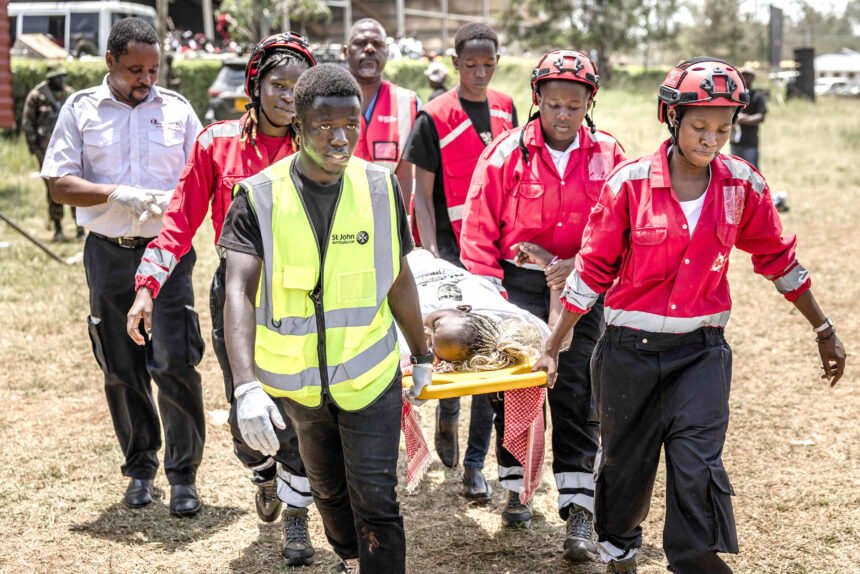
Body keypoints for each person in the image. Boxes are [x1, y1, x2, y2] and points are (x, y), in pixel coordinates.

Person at [534, 58, 846, 574]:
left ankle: (695, 558)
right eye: (700, 126)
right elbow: (590, 273)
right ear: (672, 118)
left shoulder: (742, 187)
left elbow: (780, 260)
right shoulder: (628, 186)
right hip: (627, 354)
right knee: (625, 468)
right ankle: (620, 551)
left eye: (724, 129)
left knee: (697, 465)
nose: (711, 139)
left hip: (701, 354)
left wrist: (823, 328)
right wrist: (553, 344)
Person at [220, 63, 431, 574]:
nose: (340, 139)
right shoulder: (258, 196)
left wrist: (421, 353)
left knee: (377, 500)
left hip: (369, 377)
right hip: (300, 390)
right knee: (331, 495)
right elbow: (237, 290)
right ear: (298, 125)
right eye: (323, 127)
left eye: (350, 126)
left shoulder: (381, 188)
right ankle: (350, 556)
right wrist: (246, 386)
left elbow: (397, 276)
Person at [125, 33, 318, 565]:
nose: (287, 96)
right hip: (237, 295)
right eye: (277, 84)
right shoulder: (217, 143)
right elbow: (178, 224)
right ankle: (262, 474)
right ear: (254, 87)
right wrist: (147, 288)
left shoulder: (322, 145)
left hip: (306, 297)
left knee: (300, 407)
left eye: (299, 88)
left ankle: (298, 519)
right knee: (246, 408)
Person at [459, 50, 625, 562]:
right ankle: (517, 486)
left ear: (589, 103)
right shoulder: (506, 153)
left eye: (574, 106)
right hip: (517, 289)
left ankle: (579, 509)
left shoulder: (610, 156)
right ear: (537, 100)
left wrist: (576, 263)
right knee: (517, 390)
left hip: (583, 288)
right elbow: (479, 230)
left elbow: (622, 229)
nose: (562, 116)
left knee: (577, 391)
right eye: (553, 104)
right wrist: (490, 300)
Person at [40, 18, 206, 516]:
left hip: (168, 253)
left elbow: (203, 175)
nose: (146, 79)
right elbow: (58, 183)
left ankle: (183, 477)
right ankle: (139, 469)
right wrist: (116, 192)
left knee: (175, 362)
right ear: (110, 62)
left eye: (154, 69)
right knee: (121, 366)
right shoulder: (81, 109)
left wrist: (175, 203)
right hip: (109, 252)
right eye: (135, 69)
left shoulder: (177, 110)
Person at [403, 23, 516, 493]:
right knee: (454, 346)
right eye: (470, 65)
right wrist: (431, 254)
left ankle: (474, 466)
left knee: (489, 356)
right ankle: (447, 417)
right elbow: (422, 197)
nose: (480, 73)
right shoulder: (433, 117)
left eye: (488, 65)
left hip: (497, 249)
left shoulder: (509, 108)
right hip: (450, 252)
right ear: (454, 63)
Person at [343, 18, 419, 207]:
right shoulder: (324, 99)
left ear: (387, 52)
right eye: (360, 43)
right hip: (336, 216)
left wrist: (400, 223)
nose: (370, 49)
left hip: (387, 216)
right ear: (345, 52)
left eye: (378, 44)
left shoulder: (408, 102)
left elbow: (405, 175)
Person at [21, 62, 80, 241]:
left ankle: (80, 228)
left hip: (72, 150)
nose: (61, 80)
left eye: (63, 76)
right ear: (50, 79)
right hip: (47, 153)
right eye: (57, 77)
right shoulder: (37, 97)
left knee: (77, 187)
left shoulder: (71, 95)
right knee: (53, 189)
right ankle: (58, 228)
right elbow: (27, 123)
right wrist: (35, 148)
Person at [730, 67, 766, 170]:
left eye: (748, 76)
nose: (746, 78)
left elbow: (761, 116)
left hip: (750, 141)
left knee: (752, 172)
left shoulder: (757, 96)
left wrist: (742, 120)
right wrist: (735, 118)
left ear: (753, 78)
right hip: (735, 141)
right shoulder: (734, 95)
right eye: (743, 75)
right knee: (736, 172)